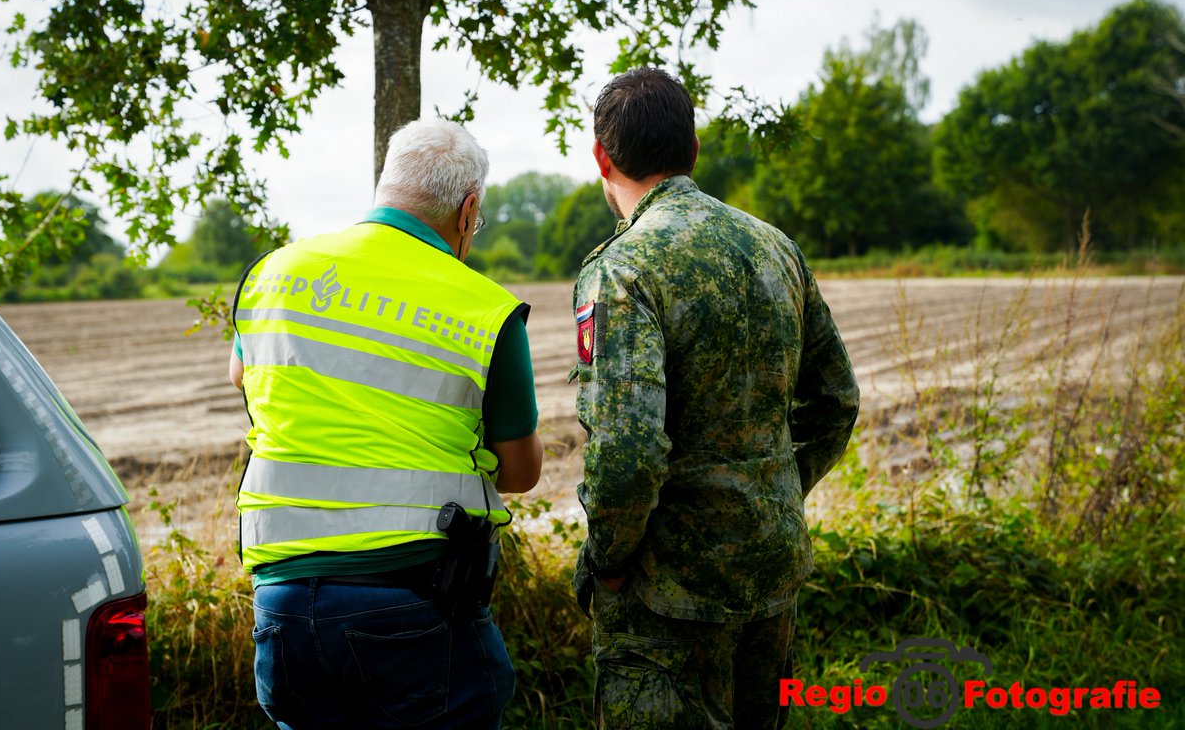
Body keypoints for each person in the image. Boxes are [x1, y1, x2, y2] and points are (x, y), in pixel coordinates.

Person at [228, 118, 543, 729]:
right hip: (415, 606)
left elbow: (240, 374)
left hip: (284, 604)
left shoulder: (272, 273)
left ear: (385, 186)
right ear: (468, 210)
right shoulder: (485, 308)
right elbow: (521, 473)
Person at [571, 67, 860, 729]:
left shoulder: (622, 267)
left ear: (601, 158)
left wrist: (609, 559)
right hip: (770, 569)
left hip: (666, 589)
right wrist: (770, 490)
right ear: (693, 151)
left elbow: (627, 450)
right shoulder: (774, 245)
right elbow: (836, 400)